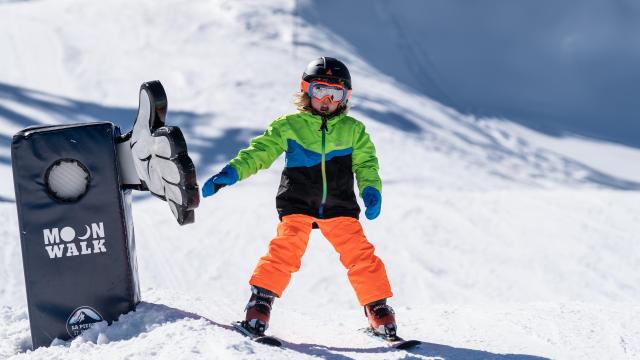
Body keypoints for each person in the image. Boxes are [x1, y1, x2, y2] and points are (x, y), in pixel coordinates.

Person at [202, 57, 397, 338]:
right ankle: (260, 304)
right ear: (306, 90)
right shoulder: (289, 126)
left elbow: (366, 165)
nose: (327, 99)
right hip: (298, 203)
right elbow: (260, 153)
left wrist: (371, 190)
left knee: (361, 254)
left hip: (339, 206)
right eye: (319, 90)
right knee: (285, 249)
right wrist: (231, 172)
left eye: (336, 93)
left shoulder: (354, 130)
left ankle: (379, 311)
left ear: (345, 97)